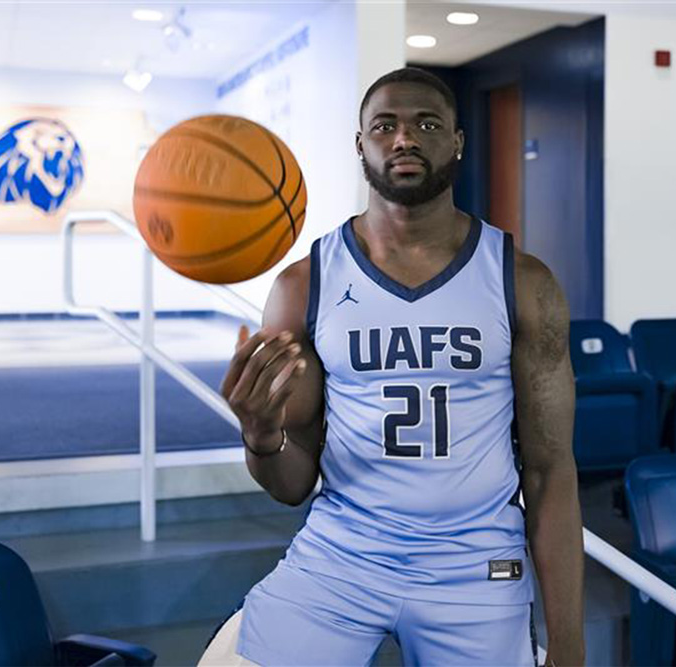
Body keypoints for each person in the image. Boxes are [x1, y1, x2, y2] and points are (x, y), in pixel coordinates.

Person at [215, 67, 585, 667]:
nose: (404, 139)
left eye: (427, 123)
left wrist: (569, 647)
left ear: (457, 141)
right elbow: (291, 487)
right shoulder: (305, 285)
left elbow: (549, 472)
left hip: (475, 564)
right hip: (343, 555)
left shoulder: (522, 281)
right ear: (360, 144)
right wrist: (260, 437)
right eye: (384, 126)